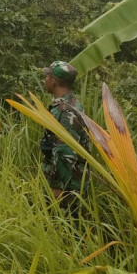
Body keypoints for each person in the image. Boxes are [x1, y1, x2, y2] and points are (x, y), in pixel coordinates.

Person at [40, 60, 90, 212]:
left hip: (66, 186)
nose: (45, 80)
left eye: (47, 76)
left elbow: (65, 153)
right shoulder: (72, 103)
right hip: (71, 181)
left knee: (63, 228)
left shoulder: (64, 111)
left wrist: (58, 186)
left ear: (53, 81)